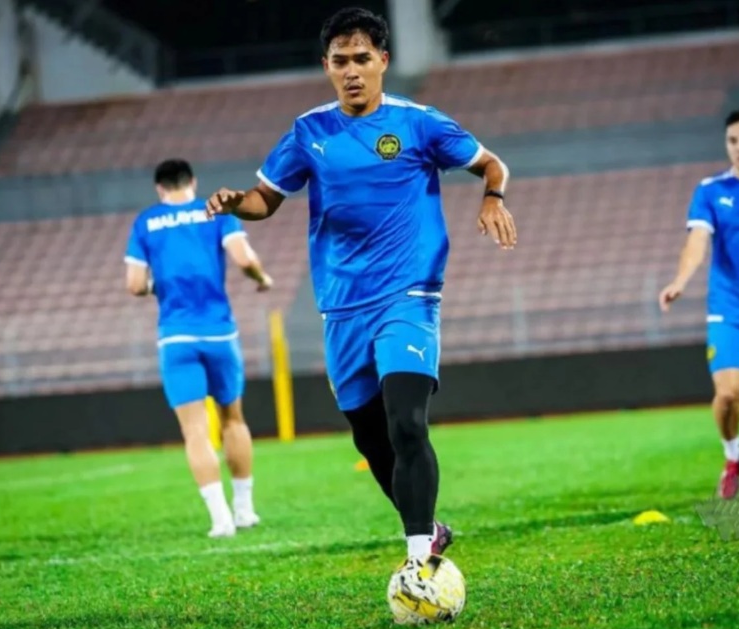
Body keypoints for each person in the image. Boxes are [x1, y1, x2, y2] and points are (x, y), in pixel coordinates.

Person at [205, 6, 516, 565]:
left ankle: (419, 558)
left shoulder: (419, 123)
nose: (352, 71)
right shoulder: (309, 131)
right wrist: (236, 203)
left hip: (409, 294)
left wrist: (492, 198)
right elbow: (264, 200)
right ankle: (429, 529)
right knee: (370, 439)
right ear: (326, 65)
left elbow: (492, 163)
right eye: (340, 61)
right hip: (342, 304)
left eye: (362, 59)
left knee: (406, 422)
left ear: (383, 61)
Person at [125, 158, 273, 537]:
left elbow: (135, 285)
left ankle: (220, 520)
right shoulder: (215, 212)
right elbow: (243, 259)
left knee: (195, 431)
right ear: (192, 181)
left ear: (159, 188)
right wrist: (262, 278)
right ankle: (245, 510)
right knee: (233, 420)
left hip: (176, 337)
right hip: (219, 333)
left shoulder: (146, 222)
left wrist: (160, 286)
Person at [659, 108, 739, 499]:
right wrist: (680, 280)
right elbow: (697, 241)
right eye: (733, 140)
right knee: (728, 395)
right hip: (729, 311)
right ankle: (733, 453)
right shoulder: (711, 191)